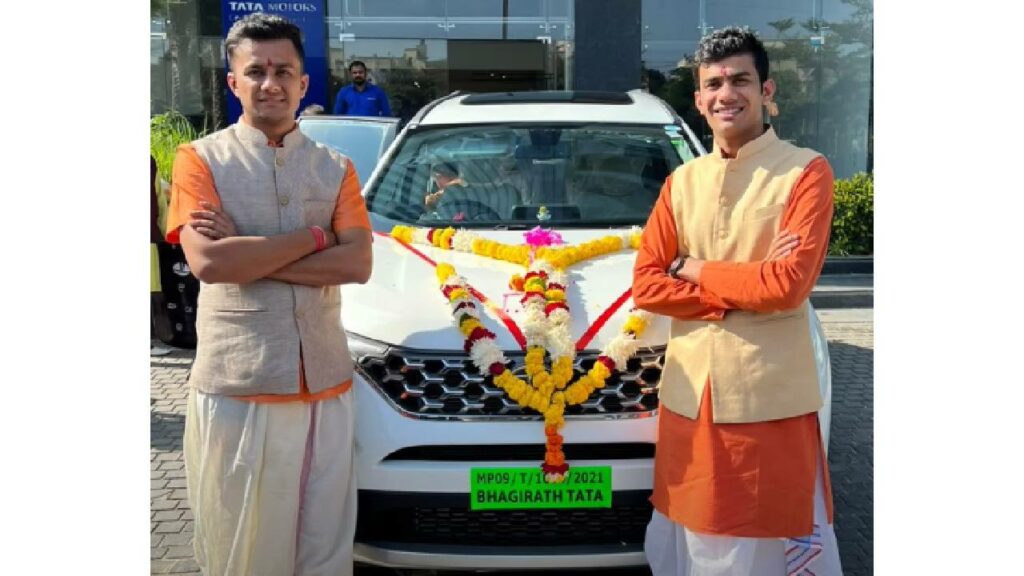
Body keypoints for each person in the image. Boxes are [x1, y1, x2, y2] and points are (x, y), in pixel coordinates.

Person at [164, 12, 372, 576]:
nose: (270, 83)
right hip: (240, 385)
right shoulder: (199, 161)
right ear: (233, 82)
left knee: (324, 548)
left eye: (284, 70)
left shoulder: (335, 168)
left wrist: (252, 255)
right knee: (244, 550)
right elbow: (208, 262)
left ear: (305, 84)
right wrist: (311, 238)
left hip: (325, 387)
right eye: (255, 70)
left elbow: (356, 263)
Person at [632, 26, 842, 575]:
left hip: (768, 398)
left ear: (766, 90)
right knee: (692, 546)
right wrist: (747, 285)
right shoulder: (681, 182)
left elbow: (787, 285)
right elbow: (648, 285)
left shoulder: (806, 171)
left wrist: (695, 267)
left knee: (766, 545)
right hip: (688, 398)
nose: (728, 93)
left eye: (740, 79)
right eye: (714, 83)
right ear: (699, 100)